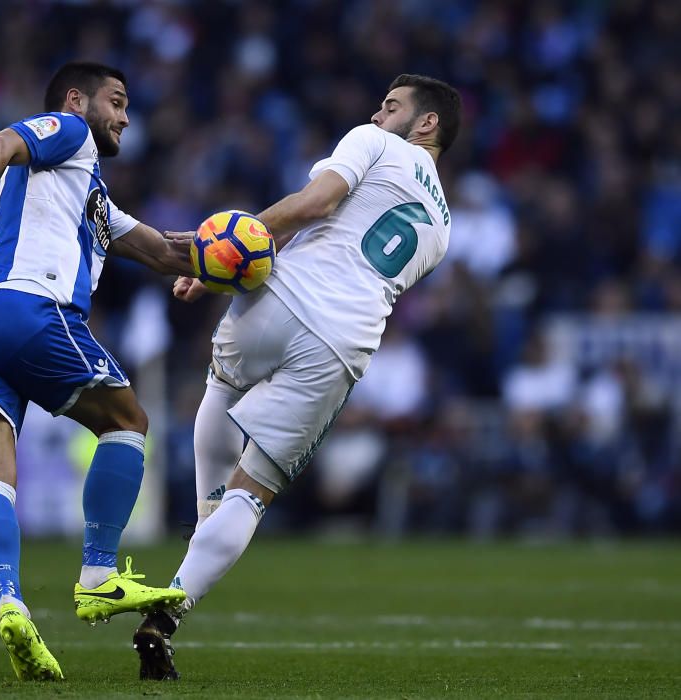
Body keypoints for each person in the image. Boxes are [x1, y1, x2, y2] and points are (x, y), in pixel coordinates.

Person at [131, 74, 463, 680]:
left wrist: (218, 257)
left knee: (219, 392)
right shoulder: (443, 230)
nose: (376, 110)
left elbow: (315, 206)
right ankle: (171, 610)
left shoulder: (374, 141)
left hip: (283, 296)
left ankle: (205, 519)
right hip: (343, 343)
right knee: (253, 490)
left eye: (391, 105)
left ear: (427, 123)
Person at [0, 61, 191, 682]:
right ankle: (99, 573)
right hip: (24, 307)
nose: (126, 116)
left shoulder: (86, 194)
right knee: (128, 421)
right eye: (117, 102)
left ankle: (10, 603)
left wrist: (236, 256)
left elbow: (162, 250)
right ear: (77, 100)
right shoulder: (68, 132)